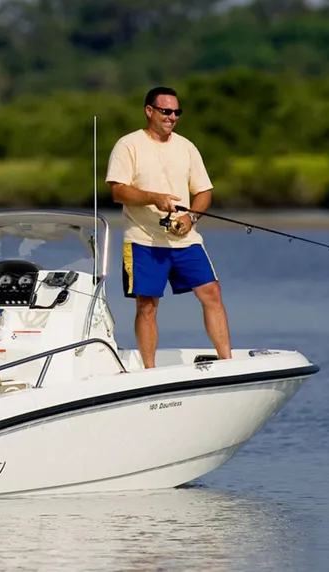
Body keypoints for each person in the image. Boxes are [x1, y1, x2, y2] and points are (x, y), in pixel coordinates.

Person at [105, 86, 232, 369]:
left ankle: (227, 361)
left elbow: (204, 192)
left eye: (176, 112)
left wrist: (191, 218)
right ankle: (149, 371)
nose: (172, 117)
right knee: (147, 305)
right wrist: (153, 198)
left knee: (211, 292)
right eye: (166, 111)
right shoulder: (128, 145)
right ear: (149, 111)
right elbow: (118, 192)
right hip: (143, 239)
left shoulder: (187, 147)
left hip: (184, 239)